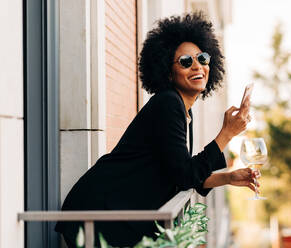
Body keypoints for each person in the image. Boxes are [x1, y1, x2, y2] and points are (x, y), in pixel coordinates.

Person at [55, 12, 258, 247]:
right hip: (98, 212)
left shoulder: (183, 109)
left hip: (107, 213)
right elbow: (184, 176)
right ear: (167, 71)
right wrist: (227, 134)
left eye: (202, 58)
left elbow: (178, 171)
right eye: (185, 61)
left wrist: (229, 177)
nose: (197, 66)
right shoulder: (168, 103)